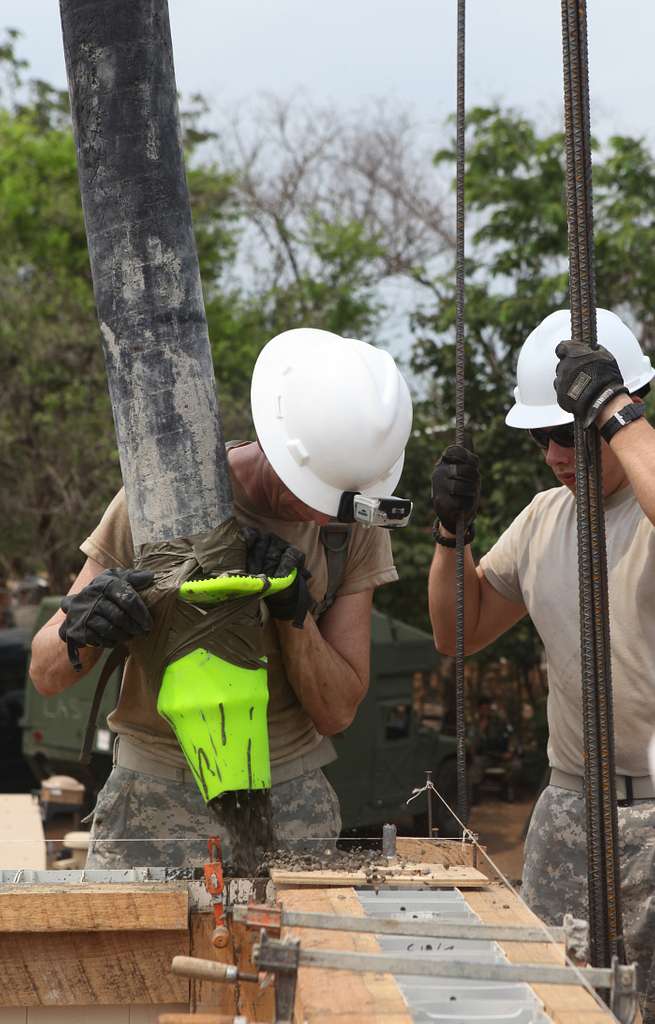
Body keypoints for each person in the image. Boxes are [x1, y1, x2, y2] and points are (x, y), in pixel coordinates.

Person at [30, 328, 413, 869]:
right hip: (155, 791)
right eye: (317, 497)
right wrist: (82, 627)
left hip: (289, 795)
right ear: (280, 448)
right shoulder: (162, 497)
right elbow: (46, 675)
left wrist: (293, 614)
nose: (328, 515)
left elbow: (338, 711)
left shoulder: (353, 524)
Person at [428, 308, 655, 1021]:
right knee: (554, 1005)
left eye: (568, 433)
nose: (555, 454)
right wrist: (448, 534)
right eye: (539, 438)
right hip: (569, 807)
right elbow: (455, 633)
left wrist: (619, 416)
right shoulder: (542, 519)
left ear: (622, 412)